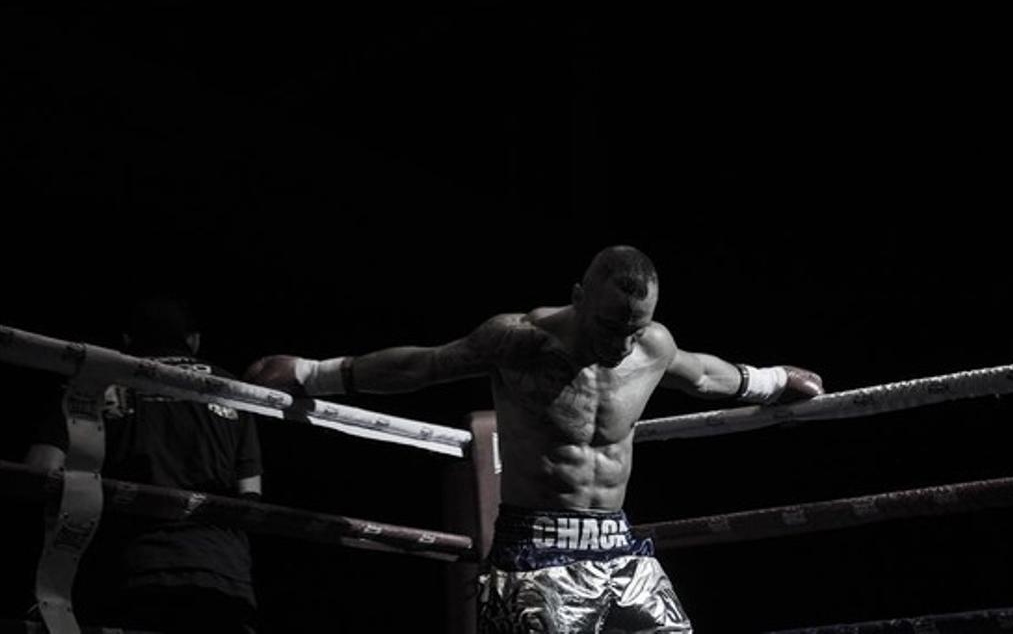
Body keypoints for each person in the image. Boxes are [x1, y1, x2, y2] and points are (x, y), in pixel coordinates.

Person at [245, 245, 823, 632]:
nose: (622, 343)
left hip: (619, 548)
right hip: (535, 551)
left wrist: (775, 380)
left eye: (634, 328)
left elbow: (705, 375)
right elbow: (421, 366)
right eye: (609, 326)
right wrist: (310, 373)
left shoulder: (652, 346)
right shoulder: (518, 342)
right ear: (578, 297)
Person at [25, 295, 262, 634]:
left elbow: (41, 469)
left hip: (128, 567)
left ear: (127, 341)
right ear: (194, 341)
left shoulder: (96, 383)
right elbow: (251, 497)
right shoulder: (230, 389)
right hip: (222, 573)